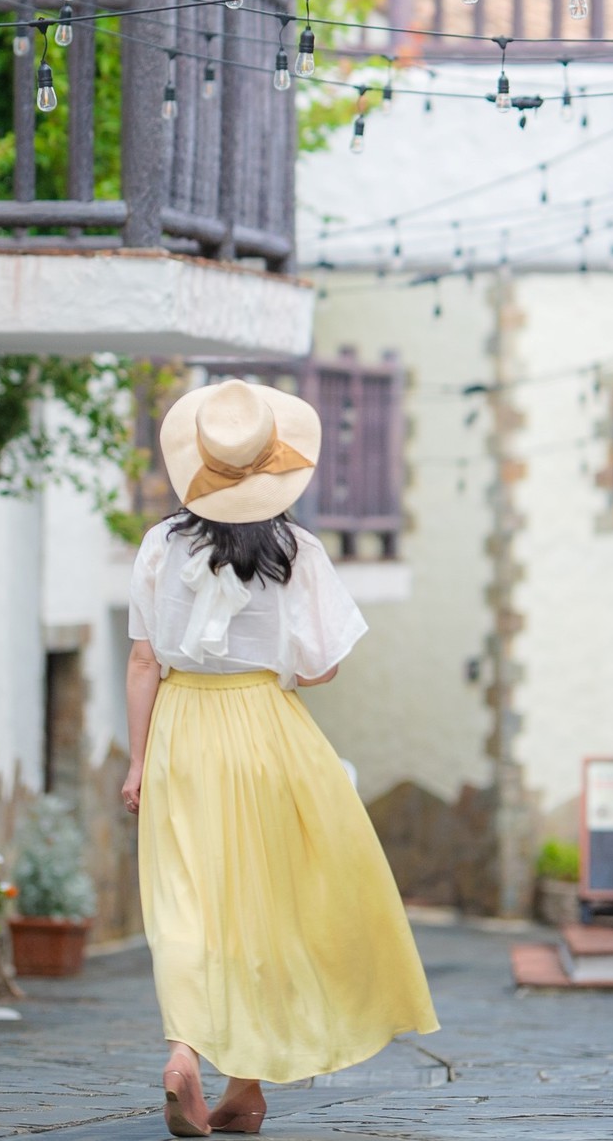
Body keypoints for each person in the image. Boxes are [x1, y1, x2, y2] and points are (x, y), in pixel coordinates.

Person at [122, 378, 439, 1138]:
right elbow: (323, 666)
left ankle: (186, 1053)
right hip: (267, 729)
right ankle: (245, 1083)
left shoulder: (160, 546)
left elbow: (142, 662)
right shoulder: (297, 550)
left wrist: (136, 763)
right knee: (261, 906)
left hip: (182, 730)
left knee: (185, 903)